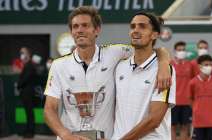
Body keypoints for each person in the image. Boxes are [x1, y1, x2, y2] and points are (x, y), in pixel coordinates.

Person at [44, 6, 172, 140]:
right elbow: (49, 109)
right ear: (71, 31)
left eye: (85, 25)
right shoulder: (58, 65)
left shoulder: (115, 53)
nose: (80, 30)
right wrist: (65, 135)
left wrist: (163, 64)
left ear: (97, 30)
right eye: (75, 27)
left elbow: (150, 49)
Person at [111, 12, 176, 140]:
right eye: (133, 26)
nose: (135, 30)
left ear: (154, 34)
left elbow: (154, 120)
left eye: (142, 26)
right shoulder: (119, 67)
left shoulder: (164, 70)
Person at [188, 55, 212, 140]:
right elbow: (190, 99)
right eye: (206, 65)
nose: (209, 67)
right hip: (198, 122)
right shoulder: (192, 82)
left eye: (210, 65)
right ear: (199, 66)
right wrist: (197, 110)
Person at [170, 41, 193, 140]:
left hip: (187, 102)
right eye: (179, 50)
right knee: (172, 126)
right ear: (175, 51)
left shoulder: (190, 65)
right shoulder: (170, 64)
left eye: (183, 50)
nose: (181, 52)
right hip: (173, 101)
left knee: (185, 127)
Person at [17, 47, 37, 138]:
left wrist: (19, 85)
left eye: (23, 53)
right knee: (28, 113)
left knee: (29, 113)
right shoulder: (26, 65)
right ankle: (28, 130)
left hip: (28, 93)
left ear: (28, 54)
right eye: (21, 53)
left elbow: (25, 79)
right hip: (25, 93)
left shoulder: (30, 65)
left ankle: (31, 132)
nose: (22, 54)